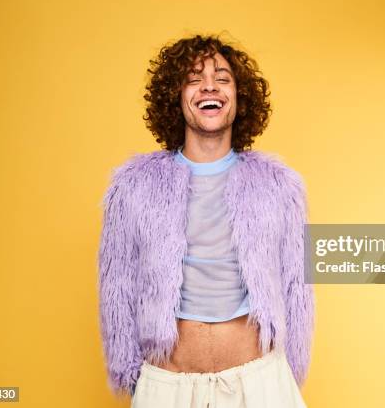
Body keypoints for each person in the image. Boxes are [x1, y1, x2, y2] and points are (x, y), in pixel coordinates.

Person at [97, 34, 315, 407]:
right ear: (175, 96)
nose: (209, 86)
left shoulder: (280, 186)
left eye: (223, 78)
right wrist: (135, 378)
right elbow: (115, 287)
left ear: (239, 96)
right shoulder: (133, 187)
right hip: (167, 387)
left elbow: (298, 286)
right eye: (194, 78)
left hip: (260, 382)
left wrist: (286, 377)